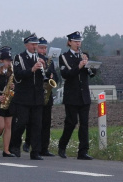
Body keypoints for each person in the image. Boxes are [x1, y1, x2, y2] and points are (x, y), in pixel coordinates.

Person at [57, 31, 97, 160]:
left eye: (79, 41)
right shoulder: (64, 57)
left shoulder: (84, 56)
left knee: (84, 123)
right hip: (71, 95)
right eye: (75, 41)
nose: (78, 44)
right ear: (69, 42)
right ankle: (62, 146)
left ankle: (83, 151)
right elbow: (66, 74)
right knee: (71, 122)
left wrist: (89, 65)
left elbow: (91, 74)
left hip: (84, 95)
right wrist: (79, 66)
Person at [9, 34, 46, 160]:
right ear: (26, 45)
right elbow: (18, 75)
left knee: (37, 125)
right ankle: (15, 146)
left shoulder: (40, 57)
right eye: (32, 44)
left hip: (37, 97)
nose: (35, 47)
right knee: (22, 123)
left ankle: (35, 151)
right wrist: (32, 69)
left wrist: (44, 68)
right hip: (23, 97)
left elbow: (48, 75)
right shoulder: (19, 57)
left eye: (36, 44)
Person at [0, 48, 17, 157]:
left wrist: (14, 86)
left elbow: (13, 86)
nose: (9, 63)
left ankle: (6, 150)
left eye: (10, 61)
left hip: (8, 100)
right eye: (7, 60)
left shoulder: (10, 73)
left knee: (8, 126)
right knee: (0, 126)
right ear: (1, 61)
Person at [37, 37, 59, 157]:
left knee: (46, 123)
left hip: (47, 95)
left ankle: (44, 148)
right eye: (41, 47)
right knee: (36, 123)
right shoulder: (34, 59)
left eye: (45, 48)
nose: (44, 50)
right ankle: (35, 146)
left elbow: (57, 77)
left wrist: (52, 78)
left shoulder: (50, 61)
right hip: (36, 95)